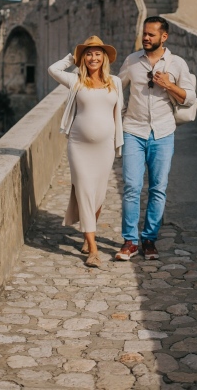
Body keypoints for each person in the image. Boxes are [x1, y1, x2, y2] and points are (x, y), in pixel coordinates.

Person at [115, 16, 196, 261]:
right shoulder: (132, 61)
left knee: (158, 189)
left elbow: (189, 98)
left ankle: (149, 239)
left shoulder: (177, 64)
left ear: (164, 37)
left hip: (163, 133)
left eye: (151, 34)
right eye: (144, 34)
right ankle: (129, 241)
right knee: (131, 188)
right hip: (134, 131)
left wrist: (169, 85)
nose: (146, 38)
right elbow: (117, 89)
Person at [48, 35, 123, 268]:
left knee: (98, 194)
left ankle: (86, 234)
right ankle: (93, 249)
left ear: (104, 58)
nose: (93, 58)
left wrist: (116, 142)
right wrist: (73, 57)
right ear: (84, 58)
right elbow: (53, 69)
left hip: (105, 147)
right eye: (89, 54)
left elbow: (117, 113)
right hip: (79, 146)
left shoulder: (116, 82)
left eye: (97, 53)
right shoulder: (75, 81)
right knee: (84, 190)